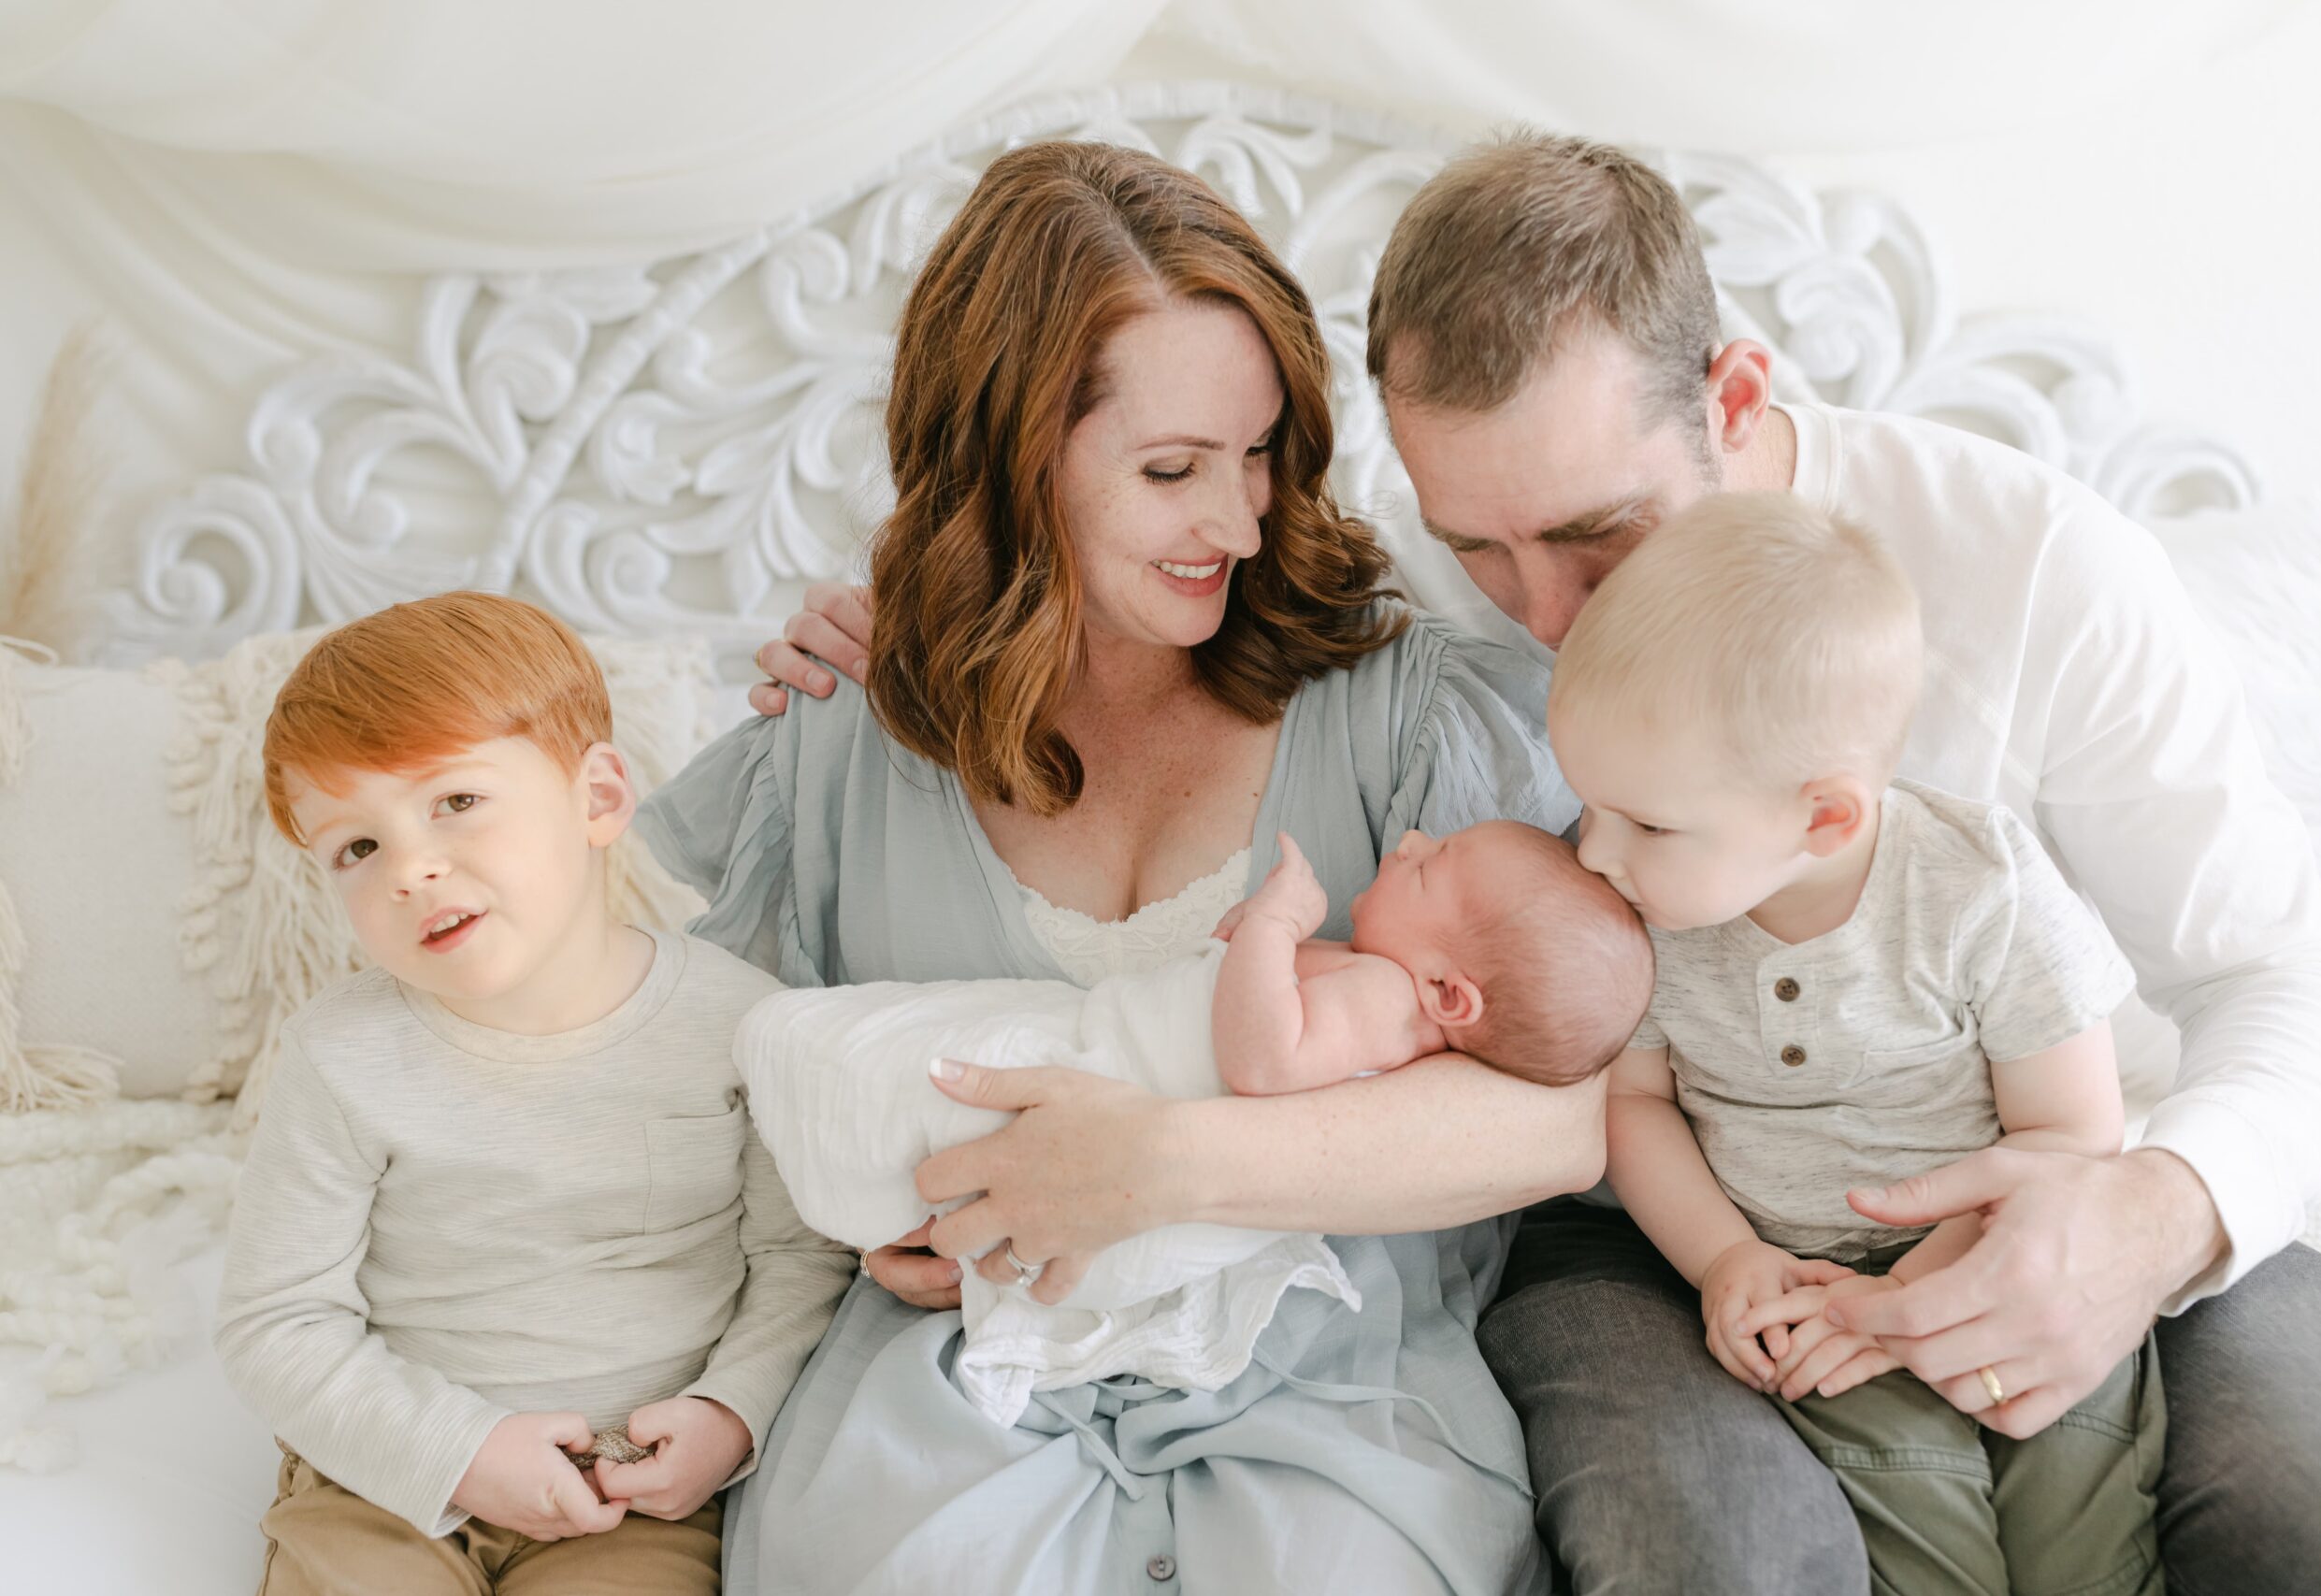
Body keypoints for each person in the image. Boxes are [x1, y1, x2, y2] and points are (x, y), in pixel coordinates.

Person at [768, 132, 2321, 1594]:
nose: (1547, 614)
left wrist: (2163, 1207)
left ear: (1737, 398)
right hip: (1666, 1193)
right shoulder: (1402, 615)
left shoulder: (2041, 573)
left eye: (1598, 536)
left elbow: (2283, 970)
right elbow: (1120, 581)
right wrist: (894, 623)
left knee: (2313, 1531)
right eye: (1480, 545)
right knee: (1715, 1551)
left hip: (2086, 1161)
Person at [640, 138, 1586, 1594]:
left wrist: (1155, 1172)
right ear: (1010, 461)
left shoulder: (1411, 711)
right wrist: (869, 1214)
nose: (1240, 519)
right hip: (958, 1394)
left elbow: (1569, 1100)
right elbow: (698, 1075)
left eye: (1261, 451)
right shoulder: (840, 735)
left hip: (1327, 1390)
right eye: (1169, 469)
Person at [1562, 492, 2161, 1596]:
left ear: (1822, 821)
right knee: (1918, 1534)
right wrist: (1726, 1262)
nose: (1592, 852)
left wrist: (1910, 1304)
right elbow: (1631, 1106)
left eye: (1643, 821)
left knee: (2082, 1530)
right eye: (1585, 803)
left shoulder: (1982, 889)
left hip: (2005, 1270)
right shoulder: (1637, 915)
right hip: (1804, 1300)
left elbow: (2072, 1134)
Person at [215, 591, 854, 1594]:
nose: (411, 870)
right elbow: (277, 1322)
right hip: (388, 1479)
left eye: (454, 802)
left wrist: (730, 1415)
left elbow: (797, 1262)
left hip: (632, 1489)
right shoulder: (342, 1056)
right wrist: (462, 1453)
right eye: (357, 847)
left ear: (597, 799)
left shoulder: (738, 1025)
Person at [733, 826, 1650, 1427]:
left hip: (1137, 1135)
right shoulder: (1392, 998)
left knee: (908, 1071)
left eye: (1432, 863)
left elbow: (1262, 1062)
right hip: (1128, 1165)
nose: (1410, 839)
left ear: (1449, 992)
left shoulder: (1382, 997)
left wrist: (1276, 923)